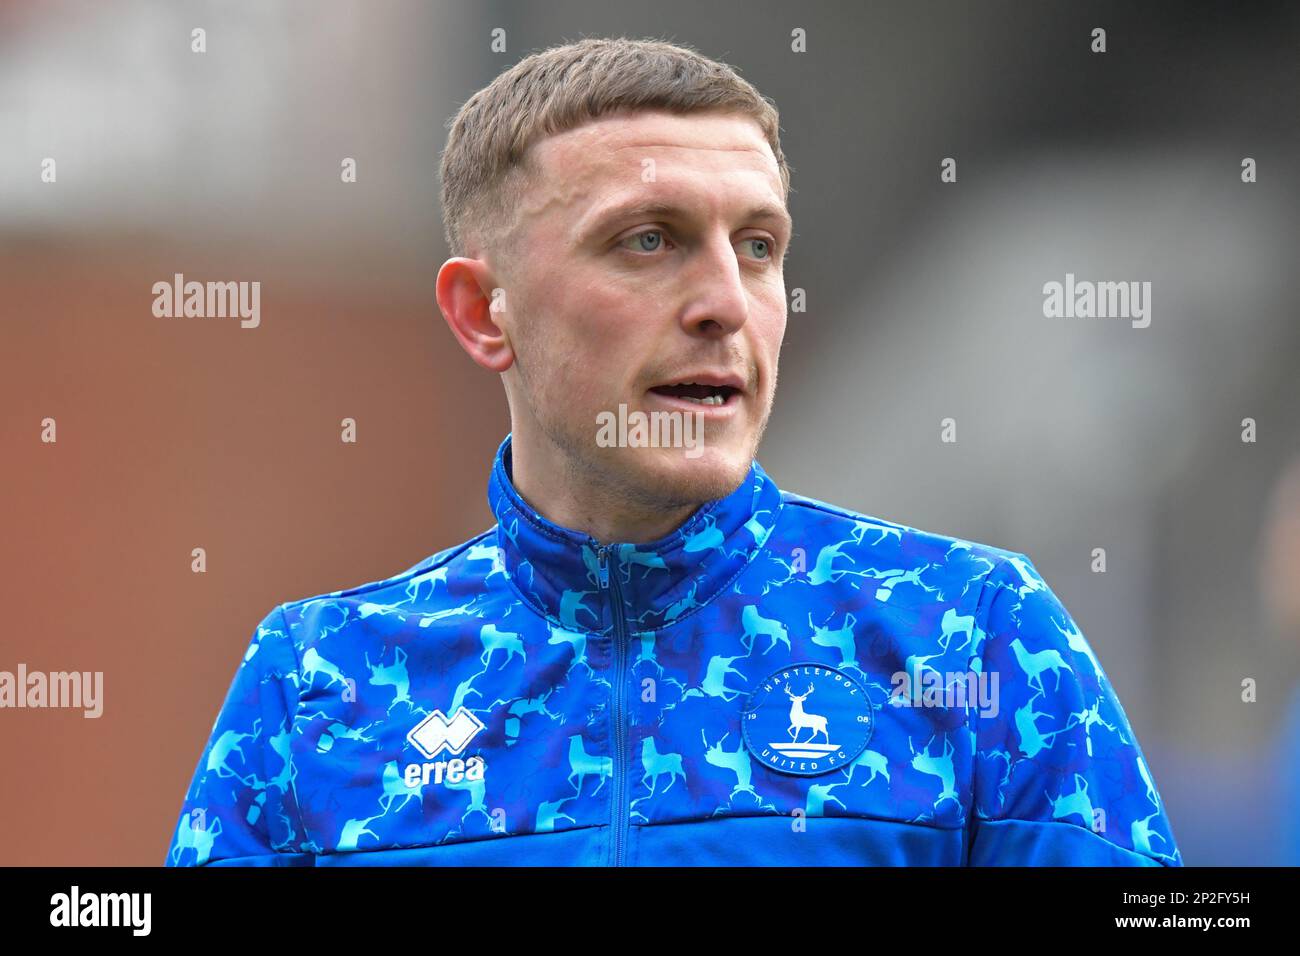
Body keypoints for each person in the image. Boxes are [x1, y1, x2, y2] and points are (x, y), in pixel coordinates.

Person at [165, 36, 1181, 866]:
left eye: (758, 246)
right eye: (647, 240)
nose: (724, 305)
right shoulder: (321, 684)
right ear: (484, 312)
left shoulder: (974, 636)